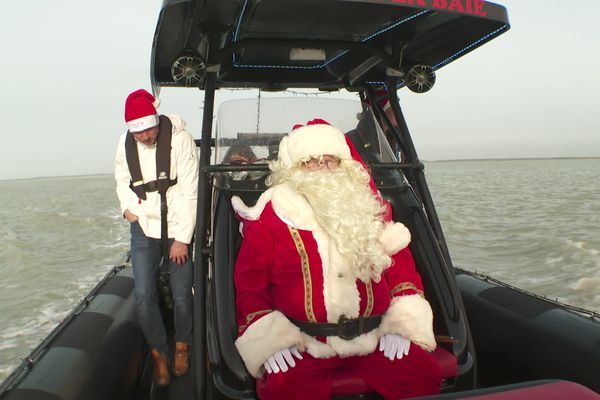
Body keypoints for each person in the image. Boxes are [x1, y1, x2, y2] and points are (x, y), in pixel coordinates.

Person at [232, 119, 442, 399]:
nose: (321, 167)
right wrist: (270, 341)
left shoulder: (368, 206)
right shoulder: (272, 215)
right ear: (294, 169)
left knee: (424, 374)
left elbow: (400, 266)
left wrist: (402, 324)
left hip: (374, 336)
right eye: (311, 161)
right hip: (305, 343)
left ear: (344, 164)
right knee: (283, 388)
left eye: (329, 160)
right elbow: (250, 283)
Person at [114, 89, 199, 386]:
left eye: (149, 129)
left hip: (177, 225)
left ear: (157, 122)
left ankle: (182, 346)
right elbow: (121, 178)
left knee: (181, 294)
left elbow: (191, 192)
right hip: (143, 226)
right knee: (143, 294)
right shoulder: (126, 143)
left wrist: (182, 239)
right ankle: (159, 352)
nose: (145, 136)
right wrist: (127, 207)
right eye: (138, 132)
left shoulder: (180, 139)